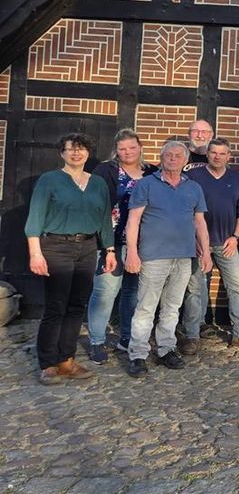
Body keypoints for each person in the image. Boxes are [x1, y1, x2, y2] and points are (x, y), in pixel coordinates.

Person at [25, 133, 116, 385]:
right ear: (62, 153)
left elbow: (105, 219)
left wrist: (109, 250)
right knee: (56, 306)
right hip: (55, 246)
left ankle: (67, 360)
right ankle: (48, 363)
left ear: (88, 153)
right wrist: (35, 253)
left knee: (77, 306)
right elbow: (35, 218)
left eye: (81, 149)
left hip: (87, 248)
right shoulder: (50, 180)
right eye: (71, 149)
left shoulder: (97, 183)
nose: (76, 153)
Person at [123, 141, 212, 378]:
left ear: (185, 161)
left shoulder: (193, 188)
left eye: (178, 156)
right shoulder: (146, 185)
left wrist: (206, 252)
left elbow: (200, 222)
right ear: (161, 158)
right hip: (153, 257)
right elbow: (133, 221)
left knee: (172, 308)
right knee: (146, 308)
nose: (173, 158)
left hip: (183, 257)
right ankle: (138, 354)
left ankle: (165, 349)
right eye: (168, 155)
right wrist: (132, 251)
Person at [85, 129, 158, 364]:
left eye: (132, 147)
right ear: (116, 150)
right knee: (105, 291)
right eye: (122, 148)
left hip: (142, 243)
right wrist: (106, 245)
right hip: (112, 241)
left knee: (132, 293)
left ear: (140, 147)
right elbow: (97, 205)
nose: (127, 152)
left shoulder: (153, 172)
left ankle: (126, 338)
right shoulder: (105, 170)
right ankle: (96, 341)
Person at [182, 138, 239, 353]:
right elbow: (186, 208)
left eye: (222, 153)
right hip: (198, 244)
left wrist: (235, 236)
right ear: (207, 154)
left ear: (229, 156)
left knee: (237, 289)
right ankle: (192, 335)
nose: (217, 156)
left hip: (227, 243)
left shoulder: (236, 179)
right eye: (213, 152)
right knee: (194, 291)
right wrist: (195, 239)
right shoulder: (193, 176)